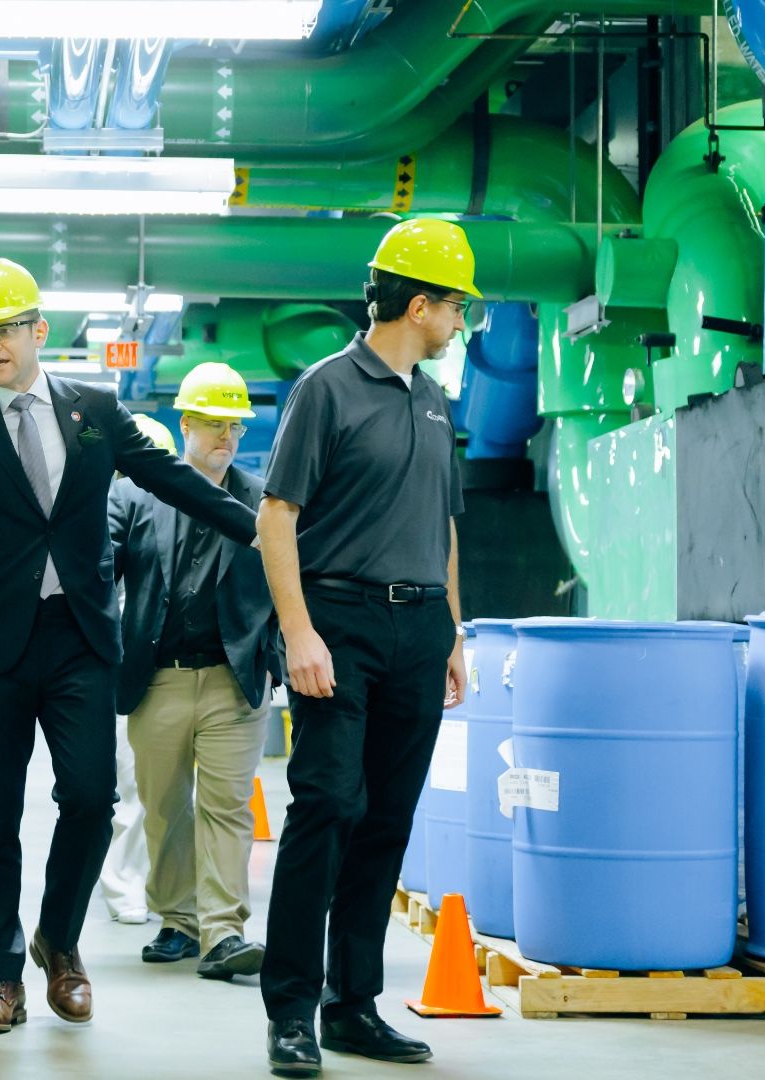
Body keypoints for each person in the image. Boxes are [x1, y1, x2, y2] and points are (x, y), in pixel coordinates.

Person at [0, 258, 259, 1036]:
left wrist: (259, 526)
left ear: (38, 332)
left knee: (92, 800)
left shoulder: (94, 410)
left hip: (81, 638)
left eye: (5, 329)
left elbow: (169, 476)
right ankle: (1, 979)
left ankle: (59, 942)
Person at [258, 219, 475, 1076]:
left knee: (387, 818)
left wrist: (451, 627)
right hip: (338, 622)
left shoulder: (434, 397)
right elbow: (277, 519)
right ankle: (290, 1011)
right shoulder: (327, 388)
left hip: (418, 628)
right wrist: (299, 632)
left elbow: (442, 524)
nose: (460, 323)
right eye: (455, 308)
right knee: (326, 808)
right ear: (418, 305)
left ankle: (353, 1005)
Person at [109, 366, 280, 982]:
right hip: (160, 678)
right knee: (163, 806)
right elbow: (101, 571)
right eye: (214, 425)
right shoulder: (136, 494)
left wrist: (280, 654)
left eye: (235, 426)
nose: (227, 437)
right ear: (185, 424)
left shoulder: (262, 501)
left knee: (227, 806)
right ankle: (177, 921)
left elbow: (293, 582)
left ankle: (224, 932)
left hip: (235, 679)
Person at [95, 415, 179, 928]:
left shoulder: (170, 516)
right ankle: (124, 885)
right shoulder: (104, 515)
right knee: (131, 789)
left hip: (163, 670)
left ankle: (156, 884)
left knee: (162, 793)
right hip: (122, 675)